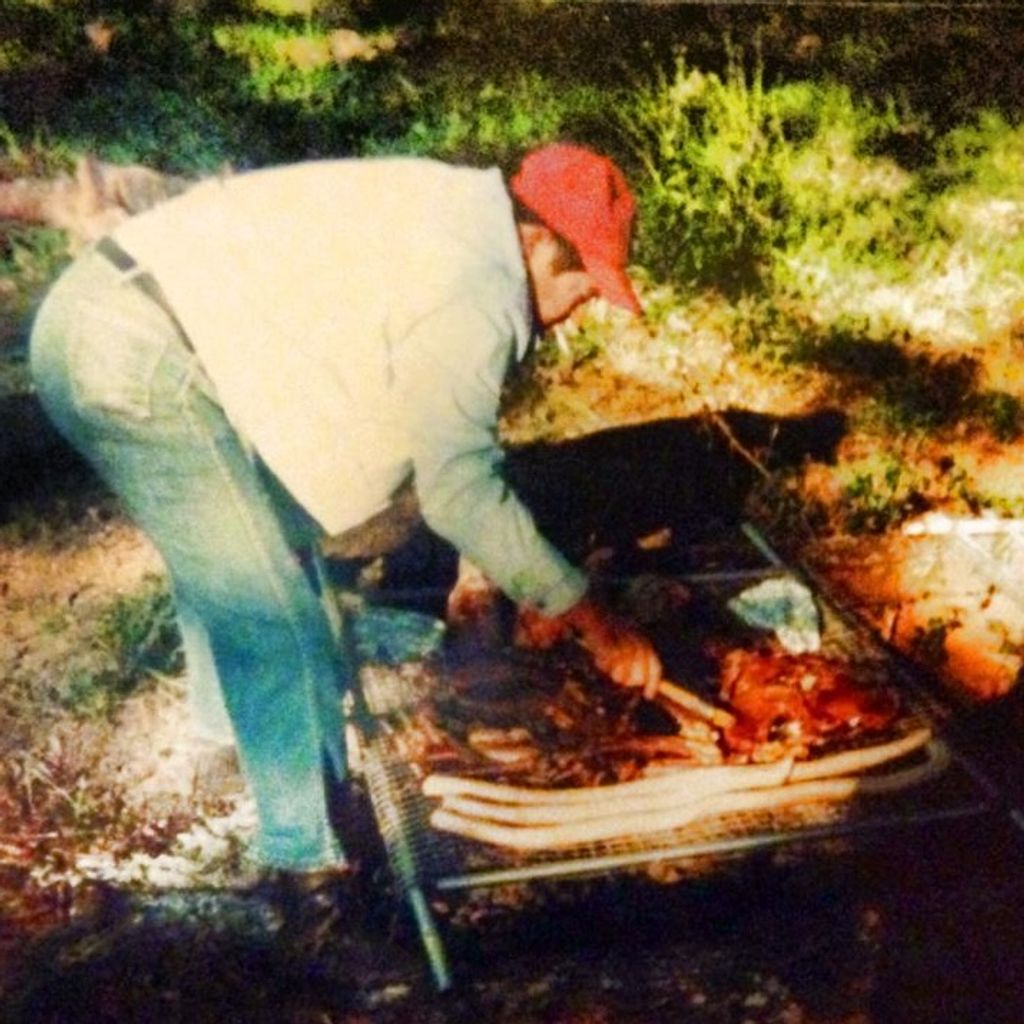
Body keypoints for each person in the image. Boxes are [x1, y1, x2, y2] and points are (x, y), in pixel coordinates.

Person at [29, 142, 662, 879]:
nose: (582, 307)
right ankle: (307, 872)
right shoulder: (478, 282)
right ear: (536, 240)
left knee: (244, 553)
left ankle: (228, 750)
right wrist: (593, 618)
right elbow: (458, 493)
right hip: (132, 347)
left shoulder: (453, 207)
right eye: (582, 282)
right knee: (277, 614)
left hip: (111, 313)